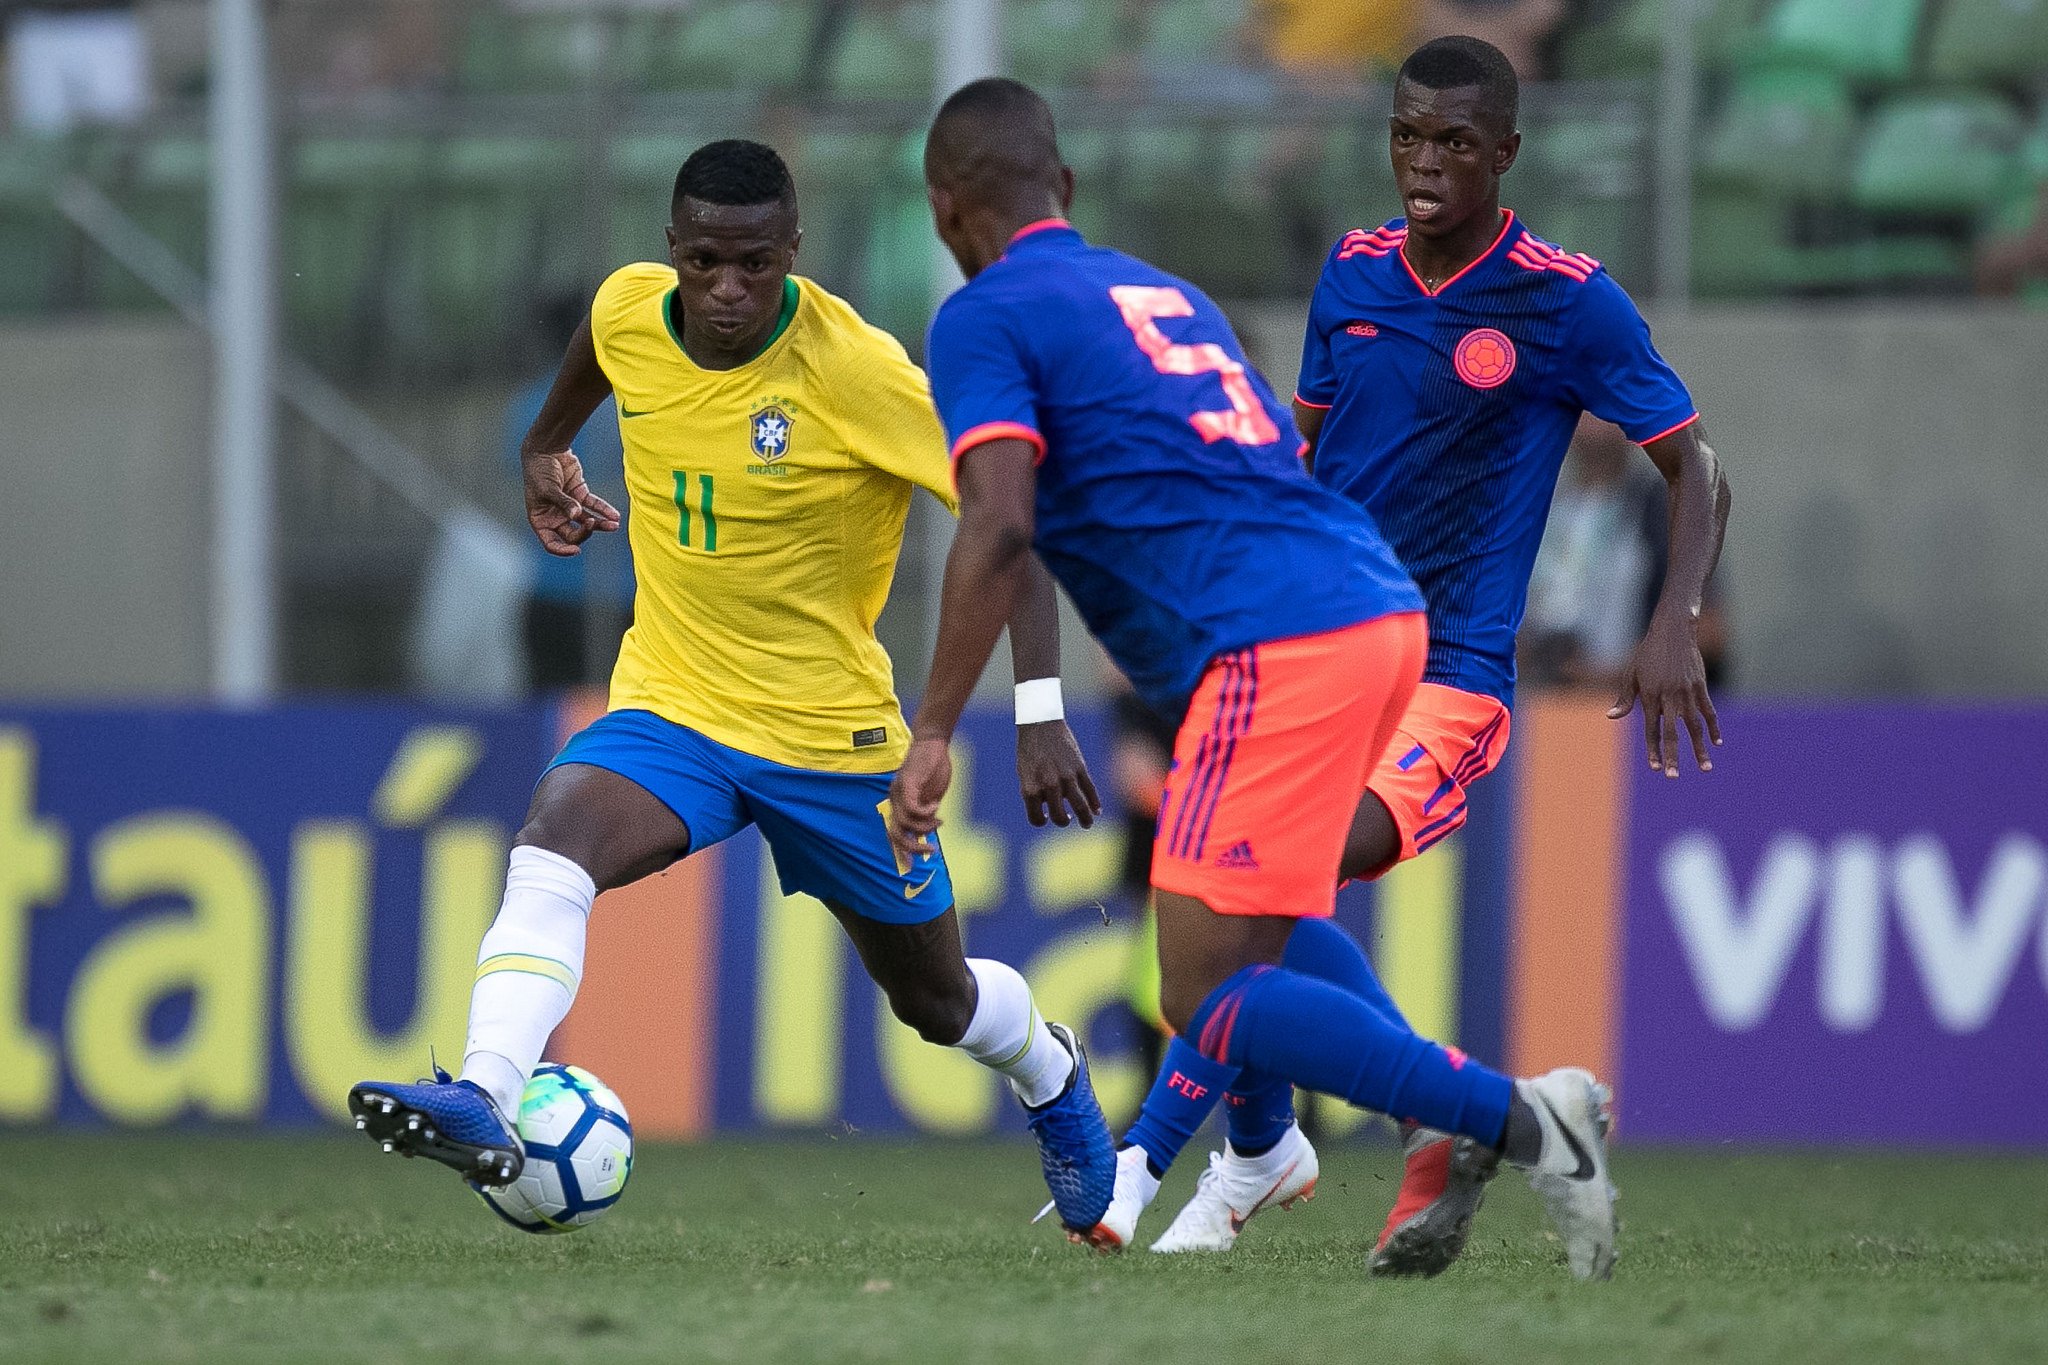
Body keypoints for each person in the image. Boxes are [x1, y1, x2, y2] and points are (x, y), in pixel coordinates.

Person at [891, 75, 1622, 1279]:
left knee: (1202, 990)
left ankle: (1519, 1119)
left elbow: (997, 522)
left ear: (939, 207)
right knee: (1265, 927)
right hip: (1372, 606)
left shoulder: (982, 316)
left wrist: (933, 730)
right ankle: (1268, 1142)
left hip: (1270, 646)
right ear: (1063, 189)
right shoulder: (1157, 290)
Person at [348, 139, 1118, 1236]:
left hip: (832, 739)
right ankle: (484, 1092)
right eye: (703, 261)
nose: (725, 290)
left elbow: (1006, 521)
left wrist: (1038, 707)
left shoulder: (854, 368)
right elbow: (593, 356)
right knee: (555, 838)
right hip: (676, 707)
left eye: (754, 265)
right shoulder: (628, 312)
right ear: (670, 252)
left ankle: (1047, 1071)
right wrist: (543, 449)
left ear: (793, 253)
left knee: (936, 1001)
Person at [1113, 35, 1730, 1275]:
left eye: (1455, 142)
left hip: (1443, 676)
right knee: (1239, 920)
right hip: (1302, 660)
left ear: (1504, 152)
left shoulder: (1563, 299)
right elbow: (1302, 464)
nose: (1426, 162)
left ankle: (1166, 1161)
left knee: (1253, 903)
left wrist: (1670, 624)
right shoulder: (1349, 277)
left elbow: (1695, 464)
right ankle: (1416, 1129)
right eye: (1407, 136)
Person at [502, 295, 634, 689]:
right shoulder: (628, 404)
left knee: (551, 707)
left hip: (550, 586)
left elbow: (514, 484)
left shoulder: (530, 407)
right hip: (627, 588)